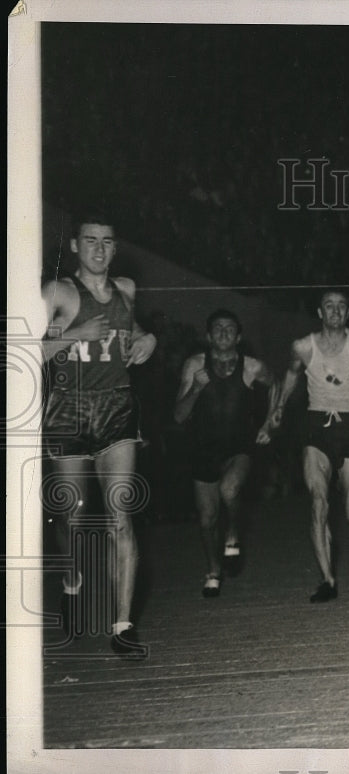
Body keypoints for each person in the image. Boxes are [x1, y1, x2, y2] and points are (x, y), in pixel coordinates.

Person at [41, 215, 158, 657]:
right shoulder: (59, 292)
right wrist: (74, 335)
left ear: (115, 247)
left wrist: (149, 340)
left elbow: (137, 332)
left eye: (107, 241)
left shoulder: (127, 289)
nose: (99, 249)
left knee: (120, 518)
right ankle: (72, 581)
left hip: (116, 408)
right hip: (68, 412)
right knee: (72, 519)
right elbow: (22, 348)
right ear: (74, 245)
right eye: (90, 241)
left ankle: (123, 625)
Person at [265, 290, 349, 602]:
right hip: (316, 426)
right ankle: (327, 580)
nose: (335, 311)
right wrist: (279, 406)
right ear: (319, 313)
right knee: (318, 502)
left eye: (341, 307)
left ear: (348, 313)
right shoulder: (303, 346)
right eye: (328, 306)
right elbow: (291, 376)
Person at [173, 309, 275, 597]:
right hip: (203, 449)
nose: (223, 333)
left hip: (238, 446)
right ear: (208, 336)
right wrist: (195, 388)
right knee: (207, 519)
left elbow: (277, 385)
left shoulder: (252, 366)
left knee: (230, 490)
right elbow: (179, 416)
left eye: (230, 329)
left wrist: (270, 422)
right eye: (217, 328)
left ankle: (233, 535)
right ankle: (213, 570)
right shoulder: (194, 364)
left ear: (239, 336)